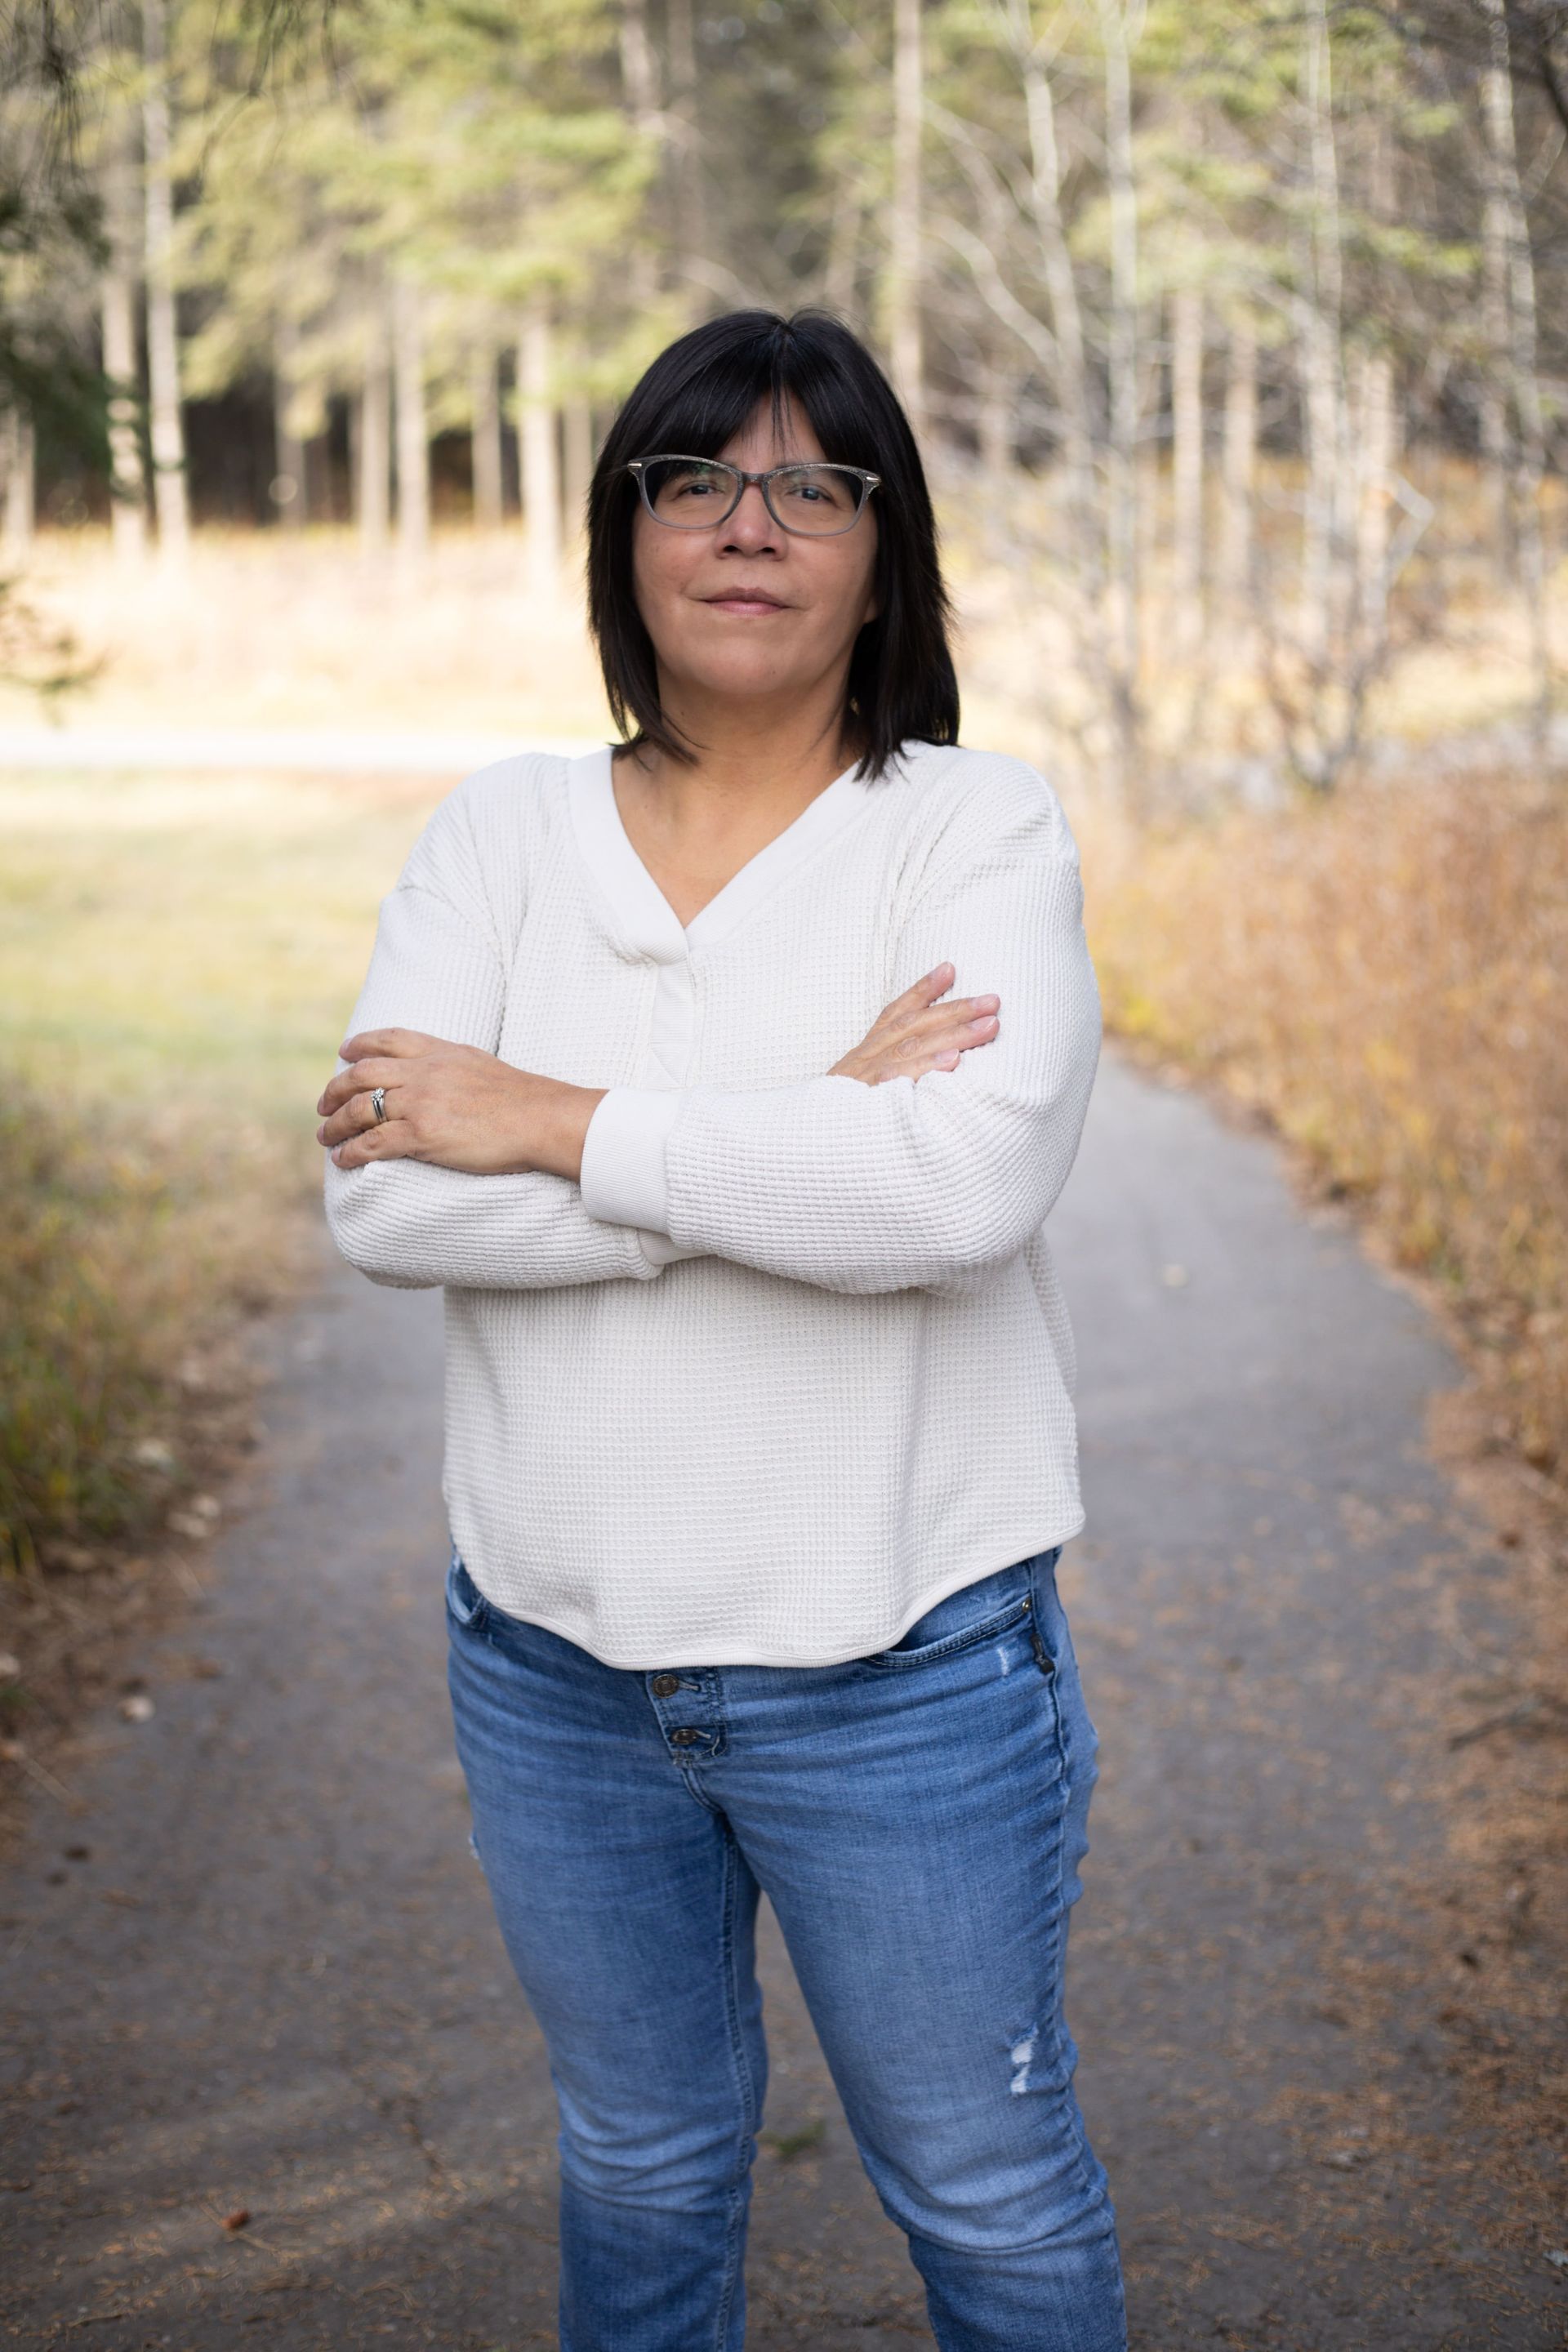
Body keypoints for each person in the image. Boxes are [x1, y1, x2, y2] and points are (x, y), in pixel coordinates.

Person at [315, 306, 1125, 2352]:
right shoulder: (498, 833)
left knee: (985, 2187)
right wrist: (778, 1153)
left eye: (811, 487)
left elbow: (955, 1194)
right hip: (554, 1665)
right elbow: (386, 1194)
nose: (749, 526)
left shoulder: (974, 826)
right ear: (628, 534)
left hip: (903, 1660)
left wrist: (553, 1125)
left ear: (882, 547)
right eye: (695, 478)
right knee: (645, 2163)